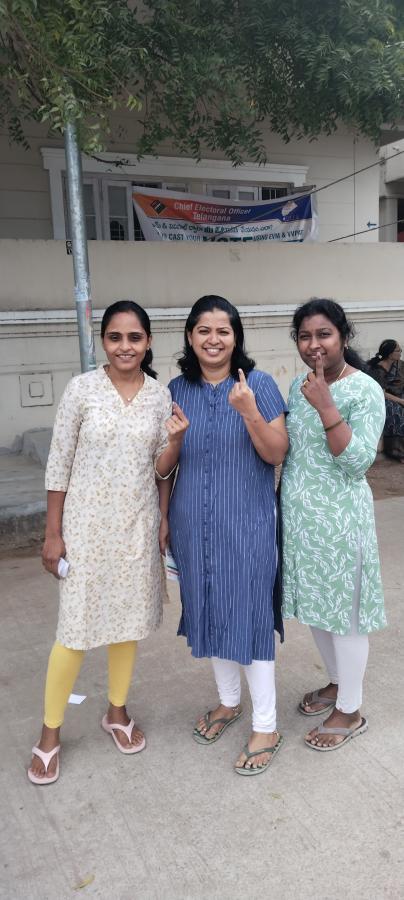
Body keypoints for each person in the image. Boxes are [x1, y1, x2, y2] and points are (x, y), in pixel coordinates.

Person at [27, 300, 189, 784]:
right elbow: (59, 463)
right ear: (103, 341)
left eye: (135, 338)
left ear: (148, 342)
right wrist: (53, 532)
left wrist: (174, 450)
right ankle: (49, 733)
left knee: (126, 624)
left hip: (136, 527)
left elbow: (161, 469)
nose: (125, 347)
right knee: (73, 632)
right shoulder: (81, 390)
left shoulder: (159, 397)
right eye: (116, 337)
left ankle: (116, 711)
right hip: (84, 530)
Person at [159, 295, 288, 775]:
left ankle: (266, 725)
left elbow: (276, 453)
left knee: (249, 616)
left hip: (246, 524)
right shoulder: (176, 389)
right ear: (190, 336)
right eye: (204, 330)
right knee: (210, 609)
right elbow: (164, 466)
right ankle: (229, 702)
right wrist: (164, 516)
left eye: (223, 331)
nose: (213, 339)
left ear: (236, 337)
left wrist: (249, 412)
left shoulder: (259, 385)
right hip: (193, 526)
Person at [281, 298, 386, 751]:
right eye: (305, 336)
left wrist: (326, 405)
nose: (314, 344)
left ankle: (351, 709)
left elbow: (357, 463)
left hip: (342, 524)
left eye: (323, 334)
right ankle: (338, 682)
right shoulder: (297, 386)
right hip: (302, 523)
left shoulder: (365, 390)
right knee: (317, 610)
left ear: (343, 336)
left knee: (346, 618)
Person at [367, 339, 404, 463]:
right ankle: (397, 451)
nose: (400, 352)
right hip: (382, 398)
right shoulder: (378, 369)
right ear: (389, 353)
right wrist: (401, 401)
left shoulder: (400, 365)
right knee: (395, 411)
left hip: (399, 395)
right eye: (398, 350)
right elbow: (381, 393)